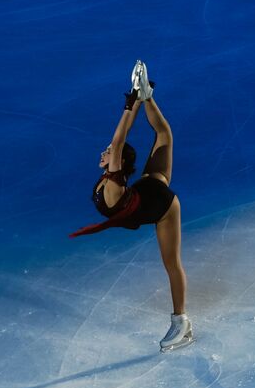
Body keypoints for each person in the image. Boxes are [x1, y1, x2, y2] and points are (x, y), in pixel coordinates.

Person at [70, 61, 193, 352]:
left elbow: (119, 138)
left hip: (161, 205)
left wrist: (129, 106)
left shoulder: (113, 177)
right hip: (150, 184)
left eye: (110, 152)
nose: (105, 151)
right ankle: (150, 94)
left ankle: (182, 323)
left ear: (118, 161)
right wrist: (140, 96)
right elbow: (120, 142)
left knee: (171, 264)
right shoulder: (114, 175)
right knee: (164, 135)